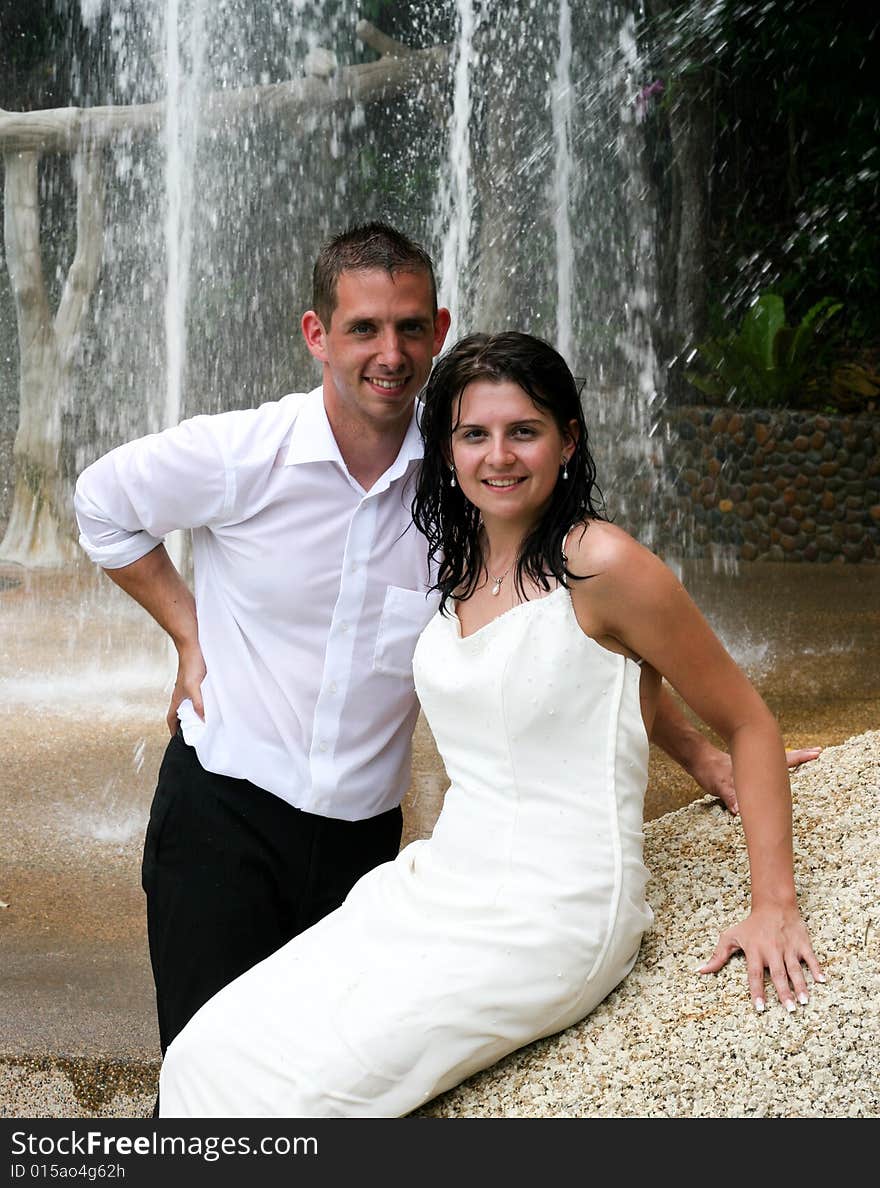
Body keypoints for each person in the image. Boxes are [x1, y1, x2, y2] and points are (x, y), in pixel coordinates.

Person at [73, 222, 819, 1068]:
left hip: (363, 840)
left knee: (331, 1079)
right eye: (363, 328)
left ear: (440, 327)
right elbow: (100, 504)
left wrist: (704, 756)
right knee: (207, 1068)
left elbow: (586, 648)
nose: (389, 353)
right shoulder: (245, 454)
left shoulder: (466, 478)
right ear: (318, 335)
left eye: (410, 328)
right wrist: (188, 630)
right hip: (223, 814)